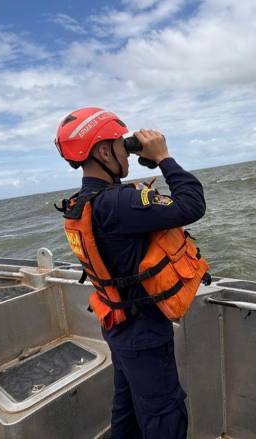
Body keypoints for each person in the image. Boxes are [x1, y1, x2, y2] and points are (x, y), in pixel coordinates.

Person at [53, 107, 209, 439]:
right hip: (142, 330)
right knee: (164, 413)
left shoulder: (84, 202)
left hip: (118, 323)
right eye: (121, 146)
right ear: (103, 152)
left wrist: (142, 157)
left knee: (127, 408)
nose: (127, 154)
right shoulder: (118, 203)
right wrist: (163, 157)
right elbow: (193, 204)